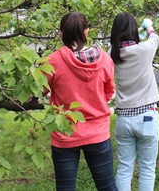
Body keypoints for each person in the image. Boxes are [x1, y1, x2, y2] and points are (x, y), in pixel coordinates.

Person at [43, 12, 117, 191]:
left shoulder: (52, 61)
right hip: (97, 132)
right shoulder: (105, 59)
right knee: (107, 188)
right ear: (86, 32)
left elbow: (41, 89)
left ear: (61, 33)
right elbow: (109, 92)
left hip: (65, 133)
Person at [110, 12, 159, 191]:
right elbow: (155, 37)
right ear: (134, 30)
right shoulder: (145, 50)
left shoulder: (112, 54)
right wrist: (148, 26)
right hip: (147, 115)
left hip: (124, 117)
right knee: (147, 168)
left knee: (124, 168)